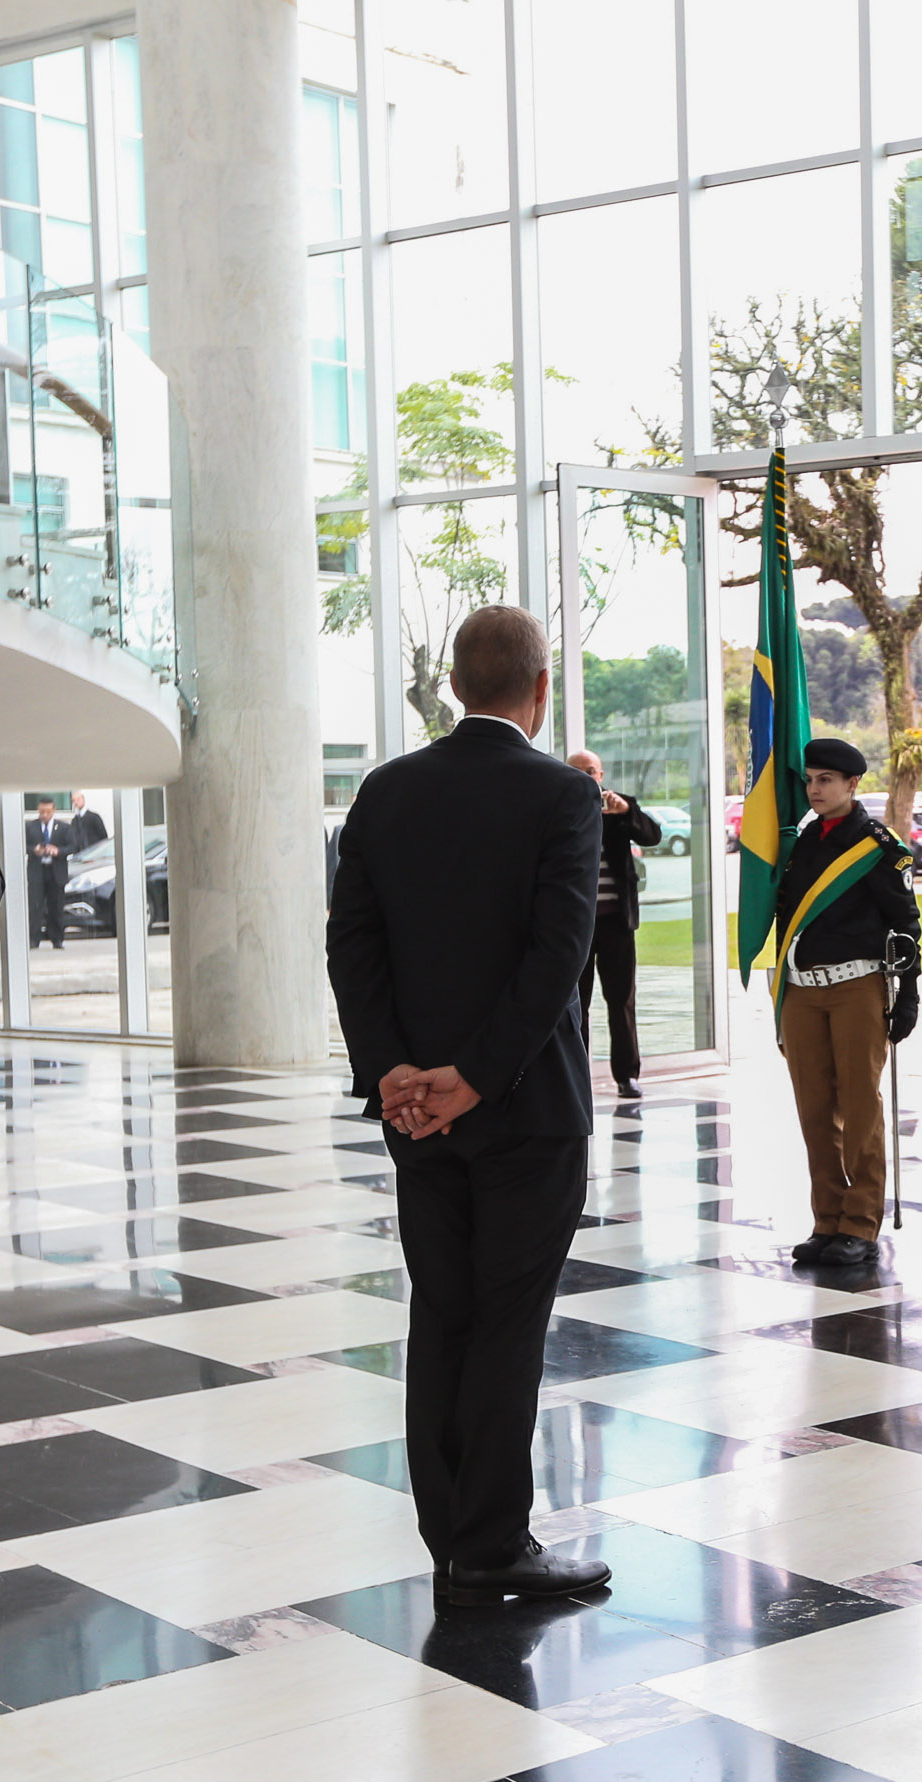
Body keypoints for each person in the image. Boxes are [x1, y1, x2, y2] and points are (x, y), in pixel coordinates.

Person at [328, 606, 611, 1604]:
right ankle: (492, 1541)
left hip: (416, 1117)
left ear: (453, 685)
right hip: (525, 1114)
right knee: (505, 1323)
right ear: (541, 688)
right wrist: (479, 1078)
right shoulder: (563, 796)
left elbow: (352, 946)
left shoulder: (385, 790)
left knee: (443, 1312)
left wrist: (395, 1070)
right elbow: (555, 958)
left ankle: (449, 1531)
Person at [771, 738, 922, 1269]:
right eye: (811, 780)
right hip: (803, 991)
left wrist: (909, 996)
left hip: (857, 987)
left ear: (853, 785)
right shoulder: (805, 841)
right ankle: (827, 1220)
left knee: (860, 1108)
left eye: (826, 781)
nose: (814, 789)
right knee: (815, 1110)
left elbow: (907, 924)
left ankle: (860, 1223)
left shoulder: (878, 845)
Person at [565, 749, 664, 1101]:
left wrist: (627, 812)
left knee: (621, 1000)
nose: (587, 777)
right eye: (579, 771)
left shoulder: (620, 806)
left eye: (592, 771)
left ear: (601, 775)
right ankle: (577, 1076)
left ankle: (627, 1076)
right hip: (576, 926)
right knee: (577, 1003)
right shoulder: (559, 808)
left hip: (617, 923)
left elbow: (653, 835)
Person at [24, 798, 77, 948]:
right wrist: (34, 850)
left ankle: (57, 939)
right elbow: (23, 845)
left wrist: (58, 851)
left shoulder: (63, 827)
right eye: (41, 812)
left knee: (56, 907)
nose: (44, 815)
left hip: (56, 872)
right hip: (37, 872)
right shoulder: (30, 827)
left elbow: (72, 846)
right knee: (35, 907)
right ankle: (34, 939)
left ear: (53, 810)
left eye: (47, 811)